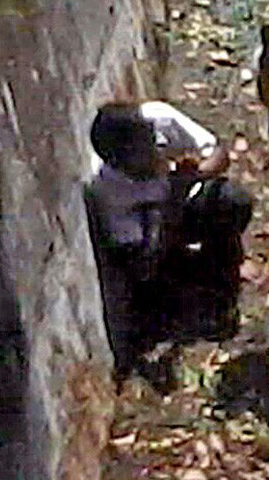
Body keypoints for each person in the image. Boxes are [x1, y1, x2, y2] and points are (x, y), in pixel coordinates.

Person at [84, 101, 253, 380]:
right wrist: (171, 205)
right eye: (142, 153)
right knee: (156, 291)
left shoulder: (160, 119)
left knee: (231, 200)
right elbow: (142, 265)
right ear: (119, 163)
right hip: (157, 236)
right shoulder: (108, 192)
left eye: (152, 142)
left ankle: (222, 276)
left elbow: (219, 154)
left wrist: (194, 175)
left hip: (187, 202)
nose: (154, 153)